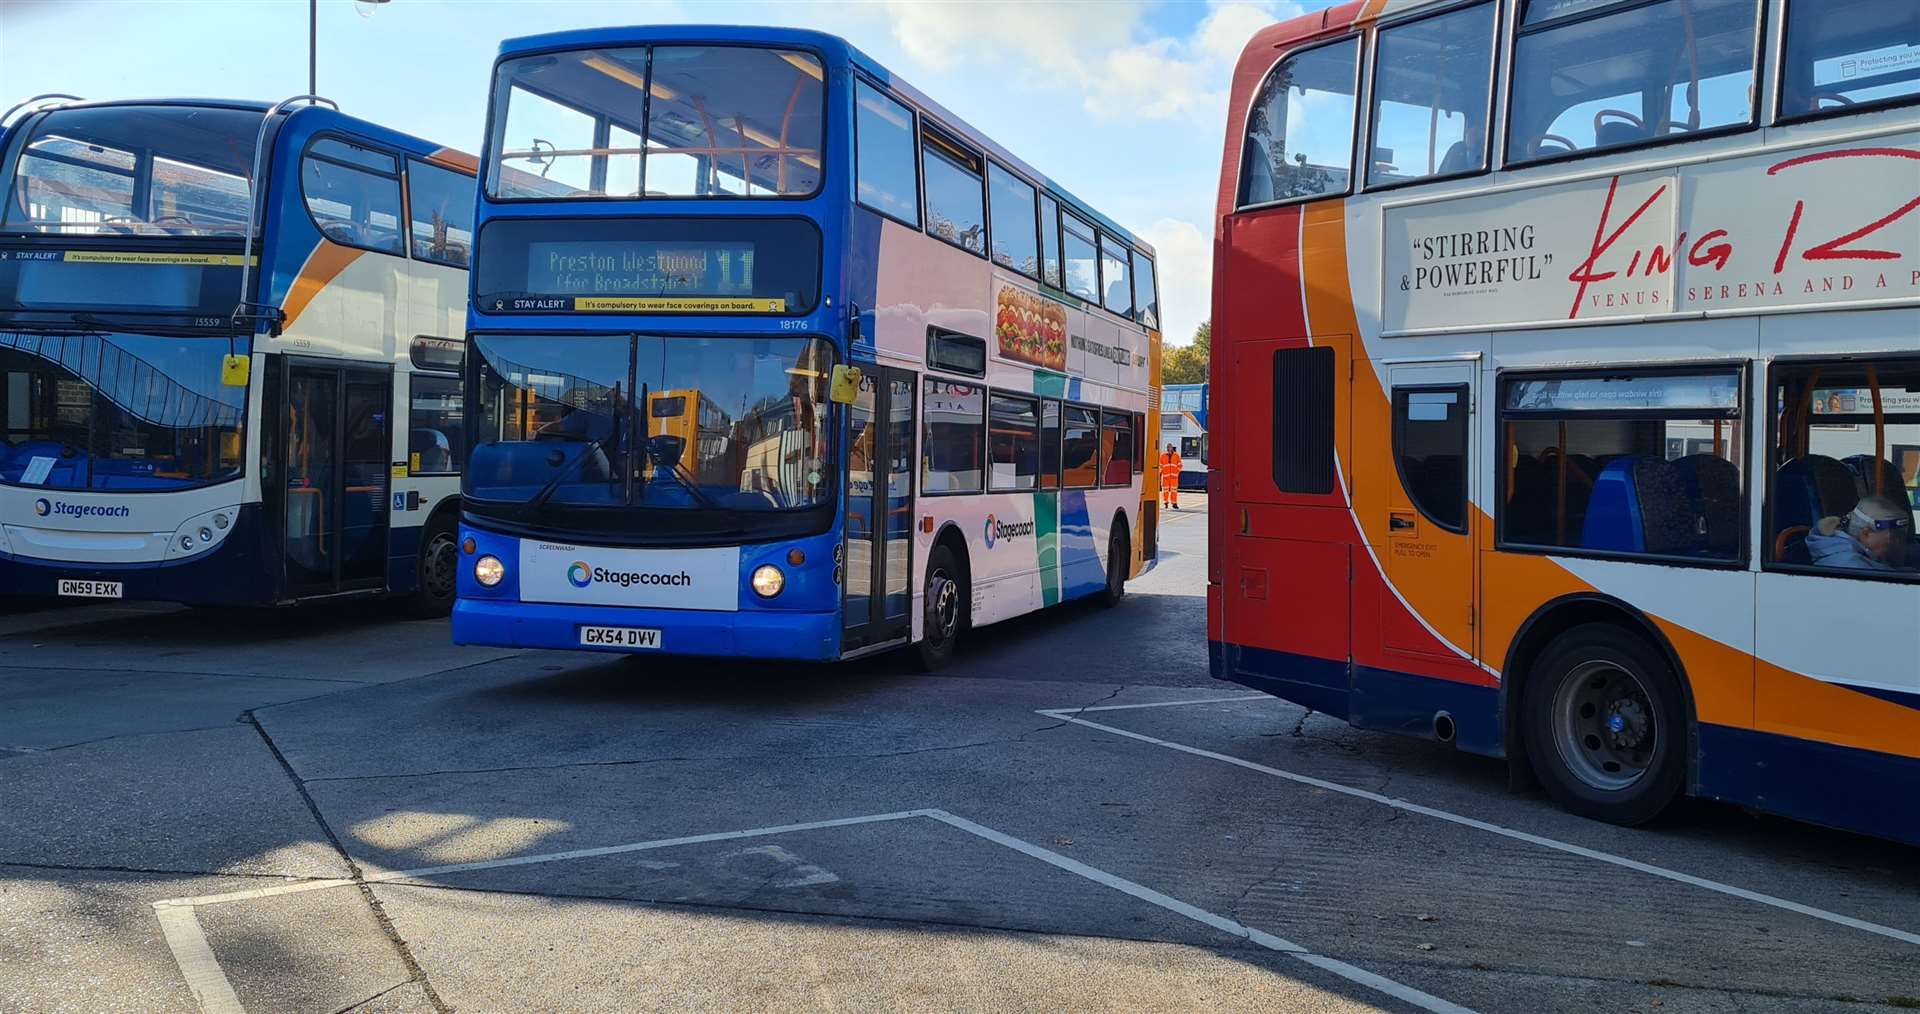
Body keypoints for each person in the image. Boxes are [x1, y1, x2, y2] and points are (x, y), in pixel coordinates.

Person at [1807, 495, 1913, 571]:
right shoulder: (1849, 566)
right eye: (1894, 537)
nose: (1898, 543)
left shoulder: (1852, 554)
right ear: (1866, 533)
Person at [1160, 442, 1182, 511]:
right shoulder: (1163, 456)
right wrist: (1160, 473)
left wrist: (1177, 472)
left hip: (1174, 477)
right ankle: (1165, 503)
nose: (1169, 449)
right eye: (1168, 448)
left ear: (1172, 448)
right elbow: (1160, 466)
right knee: (1165, 490)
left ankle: (1174, 503)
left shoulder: (1176, 456)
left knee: (1174, 491)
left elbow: (1180, 465)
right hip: (1165, 477)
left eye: (1170, 447)